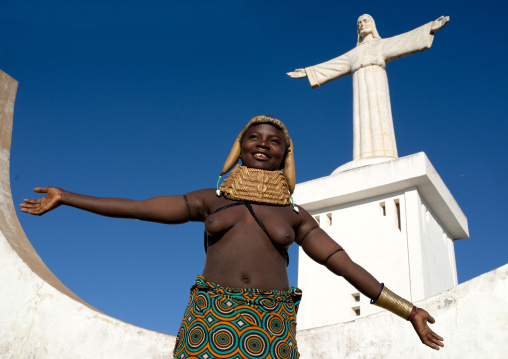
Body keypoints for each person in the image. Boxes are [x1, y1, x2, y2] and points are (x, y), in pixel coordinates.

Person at [21, 116, 444, 358]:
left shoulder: (294, 215)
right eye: (253, 138)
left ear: (285, 154)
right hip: (210, 316)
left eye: (274, 141)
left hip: (272, 323)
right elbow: (137, 207)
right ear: (239, 146)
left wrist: (407, 311)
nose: (263, 145)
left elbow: (344, 265)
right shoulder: (211, 200)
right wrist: (68, 197)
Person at [287, 15, 450, 161]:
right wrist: (309, 72)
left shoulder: (382, 45)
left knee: (380, 115)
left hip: (377, 82)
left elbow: (405, 40)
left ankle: (384, 154)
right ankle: (361, 159)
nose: (362, 24)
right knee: (362, 120)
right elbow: (333, 65)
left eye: (365, 21)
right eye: (359, 23)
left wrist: (429, 28)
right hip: (360, 88)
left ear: (372, 25)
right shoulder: (353, 54)